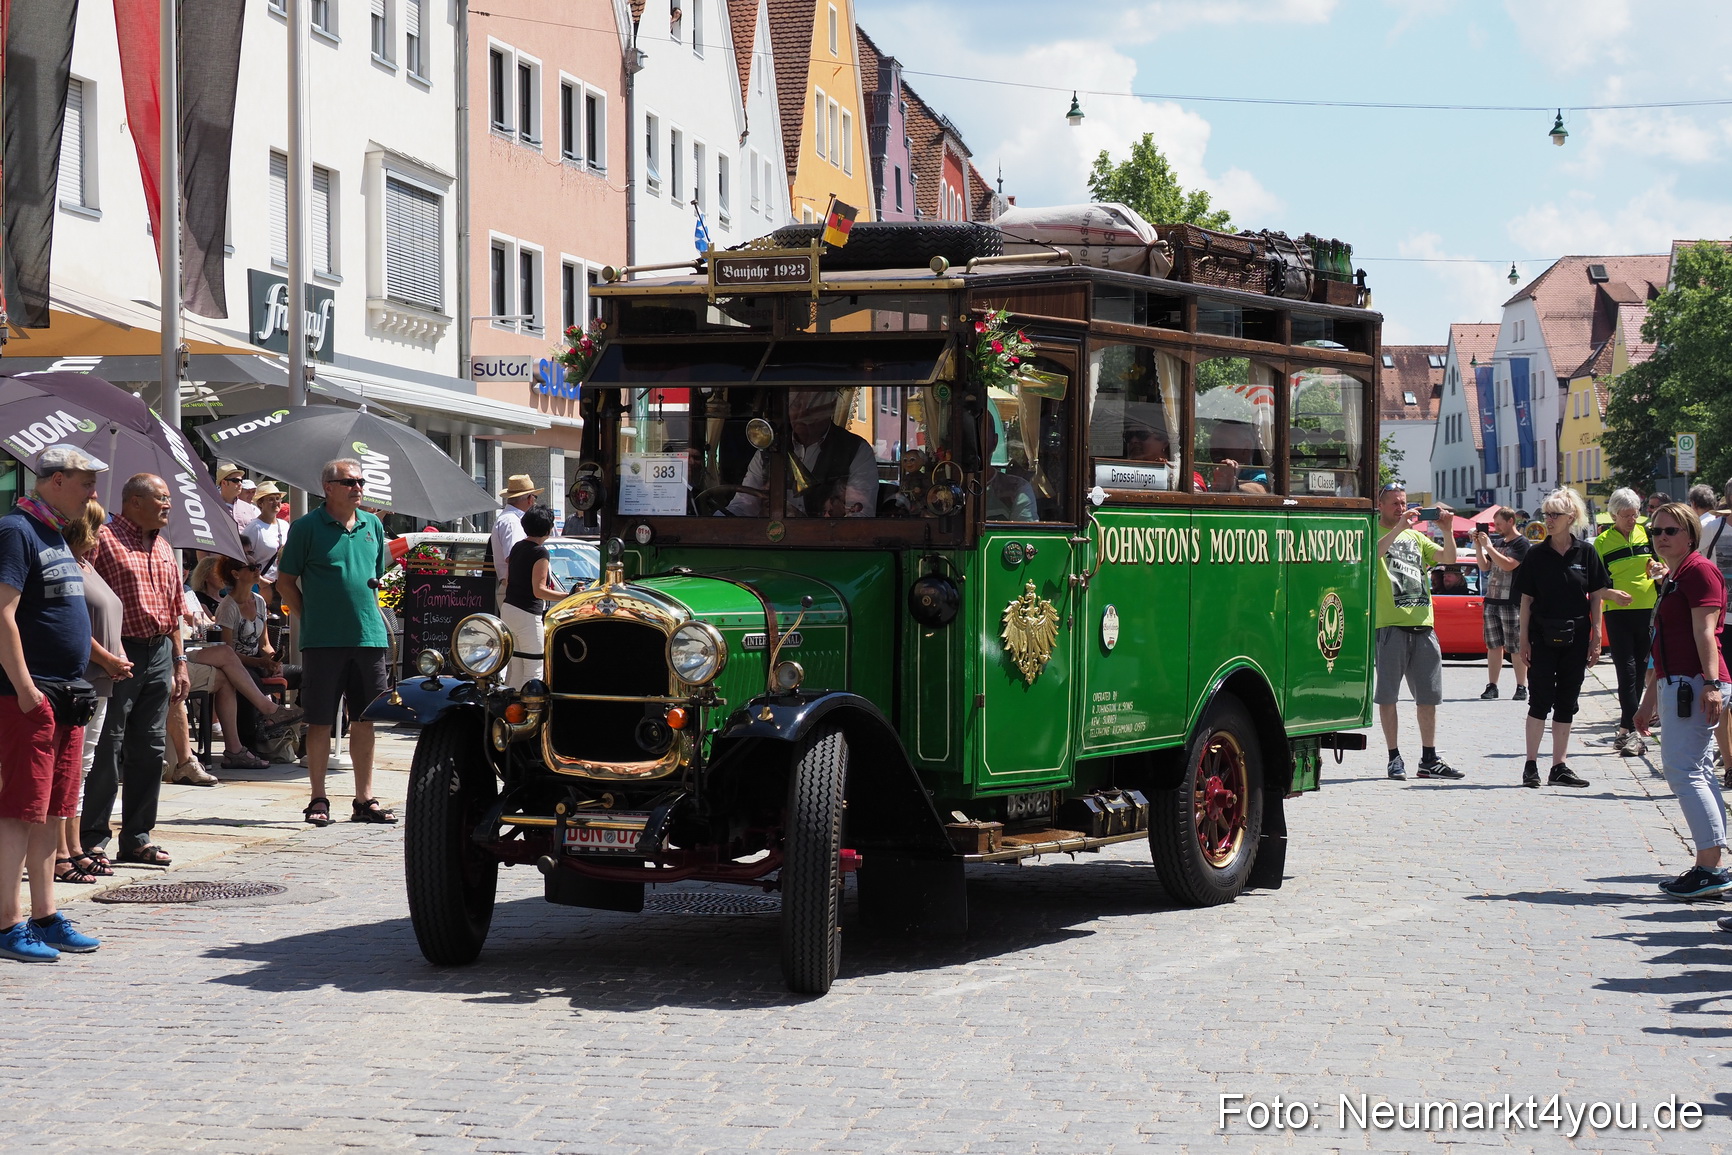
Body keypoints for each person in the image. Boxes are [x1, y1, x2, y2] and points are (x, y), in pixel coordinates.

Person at [0, 445, 105, 962]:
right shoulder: (17, 531)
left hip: (65, 695)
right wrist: (24, 689)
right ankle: (6, 922)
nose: (93, 493)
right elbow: (3, 614)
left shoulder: (56, 533)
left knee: (51, 811)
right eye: (86, 482)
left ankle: (44, 915)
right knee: (21, 809)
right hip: (32, 695)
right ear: (56, 479)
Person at [278, 458, 396, 827]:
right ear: (328, 487)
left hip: (369, 637)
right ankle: (318, 798)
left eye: (361, 481)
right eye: (349, 482)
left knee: (365, 720)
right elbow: (284, 582)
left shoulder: (372, 525)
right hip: (323, 642)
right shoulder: (306, 527)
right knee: (319, 721)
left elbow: (374, 577)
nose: (358, 487)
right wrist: (310, 618)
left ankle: (364, 799)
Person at [81, 473, 189, 867]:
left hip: (159, 651)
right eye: (161, 498)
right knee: (107, 747)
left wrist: (180, 661)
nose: (168, 505)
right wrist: (104, 653)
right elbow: (84, 600)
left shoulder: (163, 547)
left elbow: (175, 610)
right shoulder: (103, 540)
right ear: (134, 501)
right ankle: (92, 838)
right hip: (117, 655)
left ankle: (138, 837)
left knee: (151, 746)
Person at [1634, 502, 1732, 899]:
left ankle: (1710, 867)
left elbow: (1706, 633)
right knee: (1698, 772)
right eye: (1655, 531)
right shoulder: (1677, 574)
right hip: (1679, 683)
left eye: (1670, 530)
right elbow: (1665, 643)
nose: (1660, 537)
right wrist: (1647, 700)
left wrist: (1710, 683)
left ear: (1690, 534)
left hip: (1696, 684)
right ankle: (1711, 865)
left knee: (1683, 772)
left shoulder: (1699, 571)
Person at [1515, 487, 1616, 788]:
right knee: (1539, 700)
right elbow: (1525, 601)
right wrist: (1522, 640)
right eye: (1546, 514)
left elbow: (1596, 596)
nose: (1549, 520)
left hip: (1576, 635)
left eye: (1555, 515)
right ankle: (1531, 764)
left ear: (1571, 517)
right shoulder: (1536, 554)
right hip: (1542, 636)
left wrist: (1596, 637)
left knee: (1567, 701)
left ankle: (1559, 766)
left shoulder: (1586, 553)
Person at [53, 501, 130, 885]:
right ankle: (62, 850)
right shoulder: (64, 567)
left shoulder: (88, 565)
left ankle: (72, 845)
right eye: (96, 528)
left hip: (99, 680)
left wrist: (119, 654)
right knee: (73, 767)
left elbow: (105, 616)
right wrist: (109, 658)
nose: (100, 535)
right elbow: (76, 627)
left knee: (81, 767)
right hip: (80, 679)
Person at [1373, 483, 1462, 780]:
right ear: (1381, 505)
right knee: (1388, 696)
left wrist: (1447, 529)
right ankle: (1393, 756)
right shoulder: (1374, 531)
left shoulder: (1417, 537)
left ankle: (1428, 758)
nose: (1401, 508)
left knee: (1428, 697)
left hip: (1423, 625)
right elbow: (1375, 554)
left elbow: (1448, 558)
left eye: (1403, 502)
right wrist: (1399, 526)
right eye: (1395, 503)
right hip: (1390, 625)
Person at [728, 389, 877, 517]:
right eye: (796, 405)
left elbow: (859, 518)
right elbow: (744, 504)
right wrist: (718, 522)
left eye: (812, 407)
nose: (802, 414)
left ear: (831, 406)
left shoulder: (856, 450)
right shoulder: (769, 449)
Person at [1595, 488, 1662, 757]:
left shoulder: (1647, 534)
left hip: (1647, 610)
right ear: (1613, 515)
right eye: (1626, 516)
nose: (1632, 520)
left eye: (1635, 515)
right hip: (1617, 612)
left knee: (1640, 668)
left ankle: (1627, 728)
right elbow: (1595, 583)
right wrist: (1610, 593)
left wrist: (1659, 571)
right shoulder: (1601, 542)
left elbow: (1664, 565)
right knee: (1626, 669)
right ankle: (1633, 731)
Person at [501, 505, 565, 686]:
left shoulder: (517, 547)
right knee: (534, 667)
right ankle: (531, 712)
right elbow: (539, 590)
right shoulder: (540, 552)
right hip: (527, 613)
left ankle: (512, 709)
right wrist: (568, 596)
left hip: (509, 608)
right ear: (548, 528)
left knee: (516, 667)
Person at [1474, 508, 1531, 701]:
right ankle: (1492, 685)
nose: (1496, 528)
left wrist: (1488, 547)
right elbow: (1484, 567)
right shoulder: (1497, 543)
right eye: (1495, 524)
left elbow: (1508, 564)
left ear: (1510, 521)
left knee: (1514, 646)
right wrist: (1478, 547)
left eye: (1499, 524)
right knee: (1493, 645)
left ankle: (1521, 685)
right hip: (1492, 599)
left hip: (1511, 601)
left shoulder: (1522, 543)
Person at [491, 475, 542, 609]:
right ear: (530, 499)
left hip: (515, 589)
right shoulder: (512, 522)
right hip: (517, 591)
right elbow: (516, 558)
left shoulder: (509, 519)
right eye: (534, 497)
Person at [242, 481, 289, 608]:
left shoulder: (285, 526)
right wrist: (261, 582)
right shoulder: (253, 528)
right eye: (270, 499)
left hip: (282, 585)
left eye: (278, 498)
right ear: (260, 504)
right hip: (261, 587)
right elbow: (243, 558)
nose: (276, 502)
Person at [214, 461, 260, 532]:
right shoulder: (212, 505)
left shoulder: (249, 508)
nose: (240, 484)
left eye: (241, 481)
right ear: (224, 483)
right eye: (236, 480)